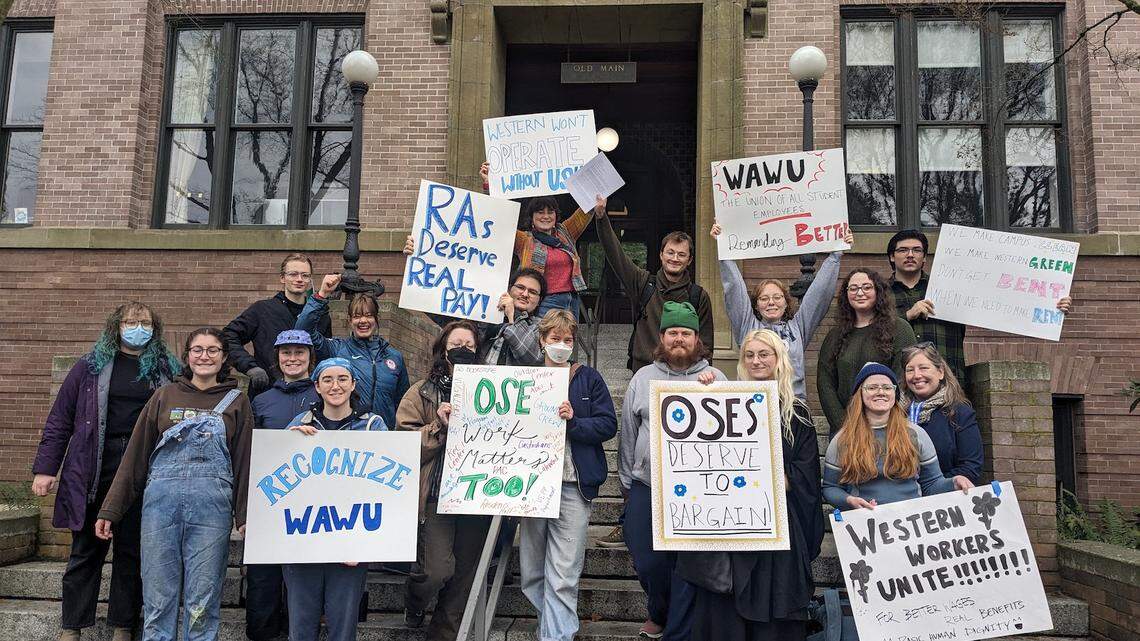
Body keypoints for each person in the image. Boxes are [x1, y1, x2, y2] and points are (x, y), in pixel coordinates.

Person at [31, 302, 181, 641]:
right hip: (92, 467)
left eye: (143, 322)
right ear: (116, 326)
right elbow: (60, 420)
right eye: (130, 321)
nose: (136, 327)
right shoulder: (89, 367)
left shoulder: (167, 369)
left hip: (142, 467)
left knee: (132, 551)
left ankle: (123, 626)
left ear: (154, 328)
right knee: (86, 550)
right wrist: (45, 469)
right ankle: (72, 626)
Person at [94, 327, 254, 641]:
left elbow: (244, 461)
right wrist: (111, 509)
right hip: (159, 508)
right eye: (197, 349)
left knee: (202, 600)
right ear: (187, 356)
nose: (204, 356)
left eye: (212, 350)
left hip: (212, 511)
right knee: (158, 597)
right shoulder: (165, 395)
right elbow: (136, 455)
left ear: (224, 358)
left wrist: (244, 515)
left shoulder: (237, 401)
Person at [678, 329, 823, 641]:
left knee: (772, 623)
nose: (757, 361)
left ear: (778, 359)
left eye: (764, 354)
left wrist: (775, 479)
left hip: (776, 532)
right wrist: (705, 394)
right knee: (727, 622)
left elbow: (806, 477)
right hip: (731, 531)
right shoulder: (723, 404)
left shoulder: (796, 414)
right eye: (750, 355)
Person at [620, 301, 726, 640]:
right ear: (662, 337)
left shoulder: (717, 379)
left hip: (698, 488)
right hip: (647, 484)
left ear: (697, 339)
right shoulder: (642, 378)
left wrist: (715, 393)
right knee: (647, 559)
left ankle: (676, 630)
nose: (679, 338)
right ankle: (660, 612)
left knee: (686, 563)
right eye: (672, 332)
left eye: (686, 333)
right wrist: (627, 480)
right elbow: (628, 433)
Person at [519, 310, 617, 641]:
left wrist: (575, 422)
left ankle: (555, 637)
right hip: (531, 487)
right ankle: (554, 626)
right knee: (532, 573)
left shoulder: (588, 378)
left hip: (574, 486)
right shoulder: (525, 380)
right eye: (555, 339)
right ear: (542, 341)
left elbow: (608, 424)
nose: (562, 345)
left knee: (563, 574)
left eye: (568, 340)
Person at [279, 357, 387, 641]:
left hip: (350, 543)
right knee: (300, 627)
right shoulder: (297, 425)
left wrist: (364, 544)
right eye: (327, 379)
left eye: (342, 379)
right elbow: (277, 483)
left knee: (343, 628)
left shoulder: (372, 426)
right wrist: (288, 444)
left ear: (353, 384)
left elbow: (386, 490)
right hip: (302, 540)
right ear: (316, 386)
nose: (335, 385)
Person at [396, 320, 488, 640]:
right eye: (455, 345)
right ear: (442, 351)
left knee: (463, 576)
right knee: (436, 572)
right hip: (436, 494)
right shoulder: (420, 392)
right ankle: (415, 600)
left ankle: (442, 635)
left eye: (469, 346)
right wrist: (437, 425)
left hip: (478, 494)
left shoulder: (492, 390)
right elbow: (403, 446)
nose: (462, 350)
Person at [887, 230, 1073, 382]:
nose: (910, 255)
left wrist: (1051, 303)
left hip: (947, 379)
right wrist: (908, 315)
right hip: (899, 379)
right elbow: (870, 334)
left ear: (924, 258)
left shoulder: (952, 286)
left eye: (917, 250)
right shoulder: (880, 294)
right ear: (892, 257)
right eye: (903, 250)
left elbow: (1005, 298)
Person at [710, 223, 852, 398]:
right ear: (755, 305)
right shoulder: (748, 326)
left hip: (793, 407)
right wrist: (723, 248)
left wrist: (835, 256)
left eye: (777, 298)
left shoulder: (798, 328)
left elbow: (819, 295)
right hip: (754, 407)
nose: (771, 303)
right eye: (764, 298)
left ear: (786, 303)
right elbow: (734, 290)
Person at [244, 329, 321, 641]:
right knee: (263, 578)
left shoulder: (323, 396)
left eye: (299, 352)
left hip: (311, 503)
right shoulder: (261, 401)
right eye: (286, 352)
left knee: (303, 578)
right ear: (277, 357)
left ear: (310, 358)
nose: (293, 358)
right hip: (269, 501)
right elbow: (248, 453)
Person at [823, 362, 973, 512]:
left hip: (912, 523)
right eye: (872, 387)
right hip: (866, 525)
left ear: (895, 394)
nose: (880, 392)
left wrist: (953, 482)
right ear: (860, 394)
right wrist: (848, 500)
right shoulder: (842, 439)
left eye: (887, 387)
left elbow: (932, 484)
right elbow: (831, 488)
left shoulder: (916, 434)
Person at [594, 198, 714, 373]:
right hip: (645, 369)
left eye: (681, 254)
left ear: (689, 260)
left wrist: (704, 375)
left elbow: (706, 344)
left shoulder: (698, 296)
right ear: (661, 255)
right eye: (670, 252)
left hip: (685, 372)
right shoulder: (643, 283)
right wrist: (601, 217)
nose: (674, 258)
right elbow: (615, 253)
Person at [404, 233, 546, 367]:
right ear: (509, 289)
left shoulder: (541, 327)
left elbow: (531, 357)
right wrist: (416, 257)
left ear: (539, 300)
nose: (525, 294)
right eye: (520, 287)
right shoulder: (484, 313)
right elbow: (443, 314)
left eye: (533, 292)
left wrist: (511, 318)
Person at [480, 161, 595, 319]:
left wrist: (593, 179)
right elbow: (499, 221)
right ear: (532, 218)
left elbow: (587, 209)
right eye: (540, 212)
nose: (546, 216)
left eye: (550, 212)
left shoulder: (566, 232)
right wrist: (489, 184)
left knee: (566, 343)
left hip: (571, 300)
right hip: (544, 302)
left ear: (556, 216)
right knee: (543, 343)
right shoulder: (525, 240)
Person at [295, 274, 410, 429]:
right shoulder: (336, 349)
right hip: (348, 434)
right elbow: (303, 332)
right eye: (357, 316)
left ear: (376, 320)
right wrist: (322, 295)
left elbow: (403, 403)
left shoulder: (394, 357)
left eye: (368, 316)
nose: (363, 321)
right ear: (350, 321)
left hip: (383, 437)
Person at [816, 269, 917, 435]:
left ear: (878, 291)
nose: (860, 293)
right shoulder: (835, 336)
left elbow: (904, 378)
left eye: (867, 287)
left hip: (889, 426)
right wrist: (844, 425)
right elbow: (825, 383)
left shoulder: (899, 329)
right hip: (845, 430)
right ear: (846, 294)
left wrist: (884, 420)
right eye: (853, 288)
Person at [222, 253, 332, 394]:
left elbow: (325, 354)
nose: (299, 279)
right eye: (293, 274)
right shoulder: (262, 310)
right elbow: (227, 337)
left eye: (305, 275)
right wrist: (250, 367)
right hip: (267, 392)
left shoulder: (320, 315)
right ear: (282, 278)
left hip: (309, 393)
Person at [901, 343, 984, 484]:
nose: (917, 375)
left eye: (923, 368)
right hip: (903, 498)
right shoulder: (895, 412)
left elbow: (971, 467)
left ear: (940, 372)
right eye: (910, 370)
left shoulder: (960, 412)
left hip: (941, 499)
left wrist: (931, 486)